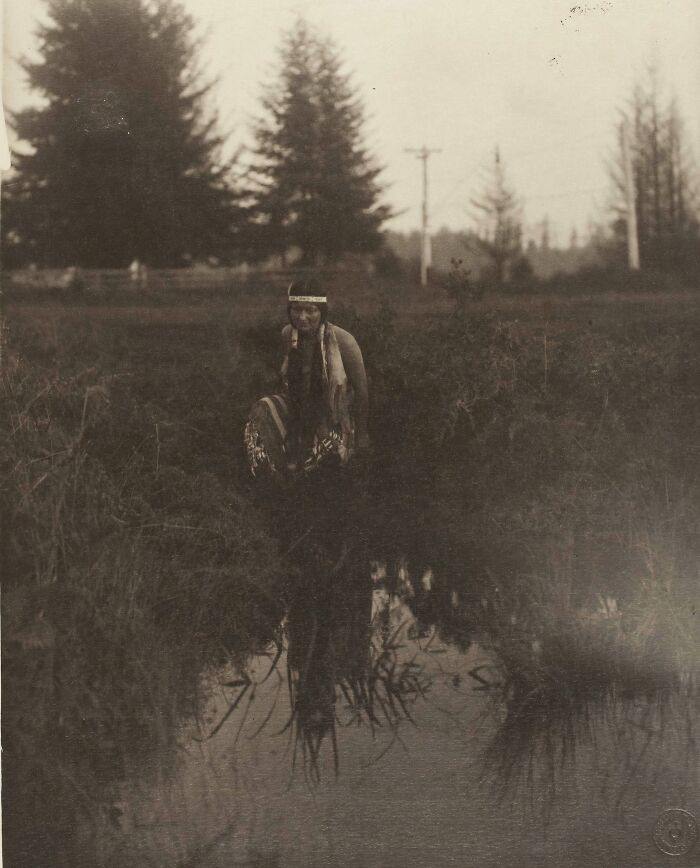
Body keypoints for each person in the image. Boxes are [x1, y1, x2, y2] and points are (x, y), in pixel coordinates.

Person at [245, 277, 369, 480]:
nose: (302, 317)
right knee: (263, 409)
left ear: (322, 312)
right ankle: (274, 481)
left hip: (335, 414)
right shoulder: (288, 334)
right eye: (296, 309)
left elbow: (362, 392)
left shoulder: (344, 342)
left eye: (310, 310)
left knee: (322, 463)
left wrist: (363, 436)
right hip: (298, 409)